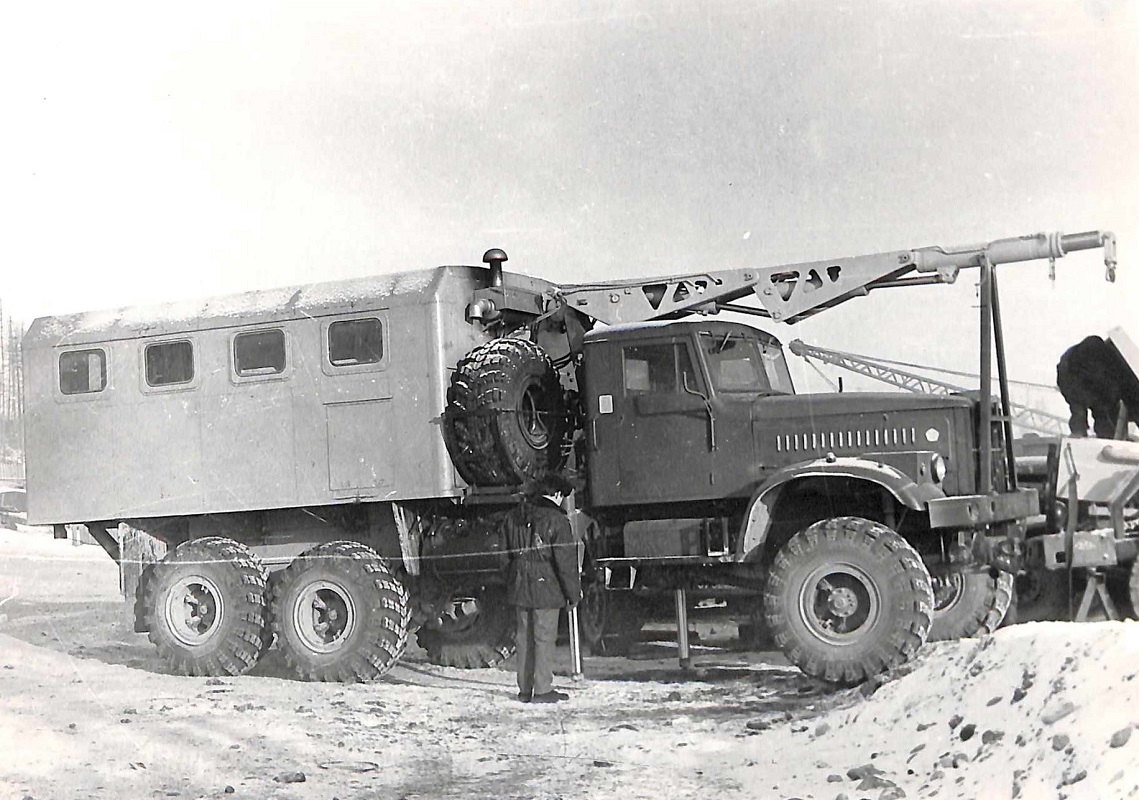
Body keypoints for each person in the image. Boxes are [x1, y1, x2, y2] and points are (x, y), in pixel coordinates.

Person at [503, 473, 581, 704]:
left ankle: (525, 689)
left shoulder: (513, 517)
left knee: (524, 638)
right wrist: (573, 594)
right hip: (546, 586)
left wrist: (512, 581)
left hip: (520, 585)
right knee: (544, 638)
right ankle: (543, 689)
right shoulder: (558, 521)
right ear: (555, 494)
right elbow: (565, 563)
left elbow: (503, 557)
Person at [1056, 336, 1139, 438]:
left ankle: (1104, 434)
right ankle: (1081, 431)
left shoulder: (1121, 375)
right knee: (1081, 411)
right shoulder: (1094, 358)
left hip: (1096, 380)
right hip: (1072, 372)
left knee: (1103, 418)